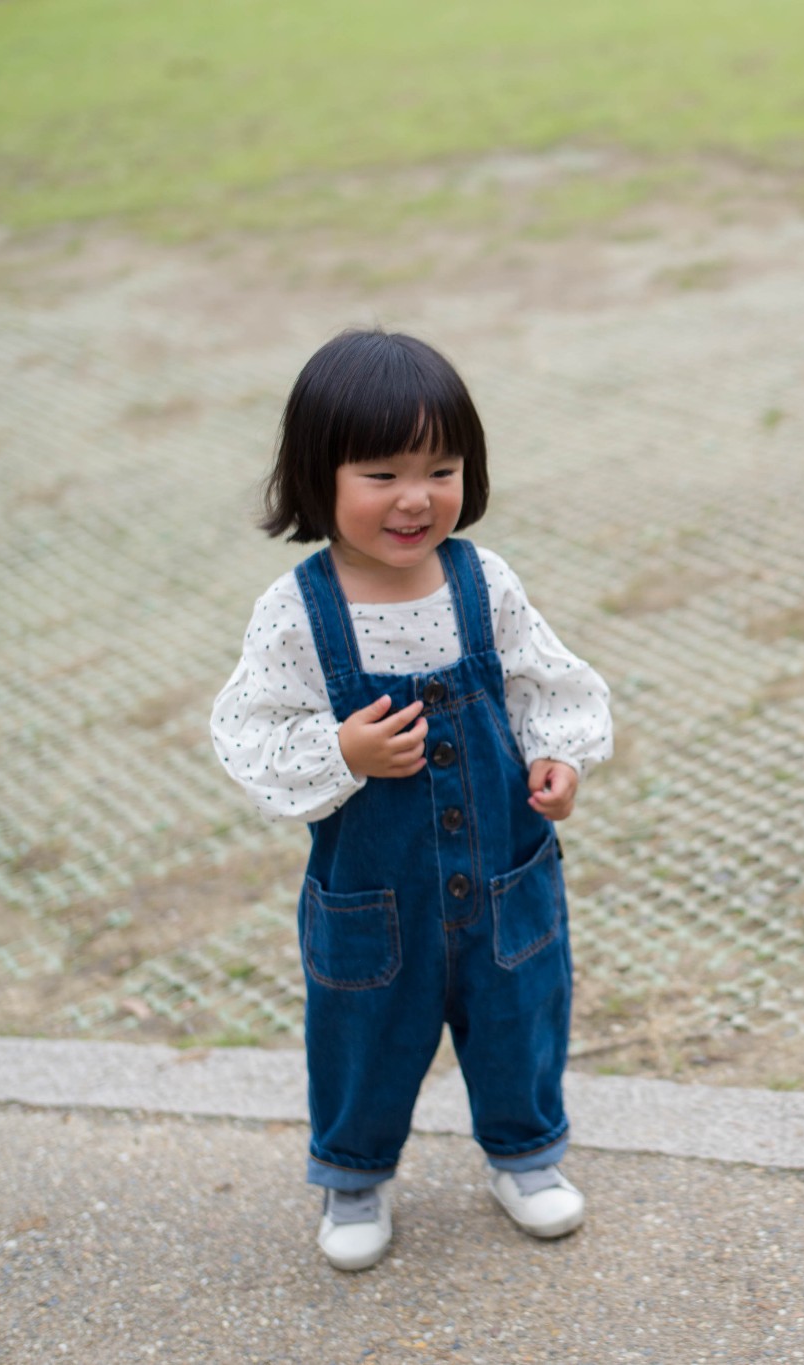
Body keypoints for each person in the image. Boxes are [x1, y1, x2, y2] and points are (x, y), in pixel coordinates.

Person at [210, 328, 612, 1271]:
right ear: (318, 477)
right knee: (363, 1034)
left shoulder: (485, 581)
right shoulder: (297, 611)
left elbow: (548, 681)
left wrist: (559, 756)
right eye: (382, 473)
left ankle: (526, 1154)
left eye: (441, 467)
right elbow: (248, 730)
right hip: (373, 897)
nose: (416, 497)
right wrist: (340, 748)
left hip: (505, 878)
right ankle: (353, 1174)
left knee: (521, 1016)